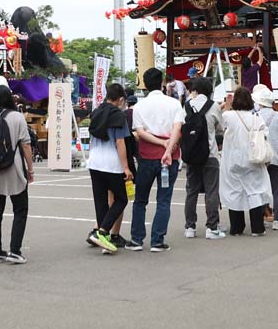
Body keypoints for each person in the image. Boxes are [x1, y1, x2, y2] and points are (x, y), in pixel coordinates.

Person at [129, 67, 185, 252]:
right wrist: (167, 148)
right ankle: (157, 240)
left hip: (146, 157)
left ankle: (137, 240)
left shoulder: (139, 106)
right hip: (169, 159)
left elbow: (140, 132)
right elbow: (177, 129)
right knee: (163, 200)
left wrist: (160, 143)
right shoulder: (174, 104)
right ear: (162, 83)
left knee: (140, 200)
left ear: (145, 85)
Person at [0, 84, 34, 264]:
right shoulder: (17, 117)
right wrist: (30, 169)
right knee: (20, 209)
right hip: (14, 170)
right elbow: (26, 145)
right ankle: (15, 250)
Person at [86, 83, 133, 254]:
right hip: (112, 164)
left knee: (100, 201)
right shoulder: (118, 116)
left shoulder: (96, 112)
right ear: (120, 99)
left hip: (94, 162)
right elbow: (120, 142)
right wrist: (126, 167)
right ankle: (103, 232)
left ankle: (102, 237)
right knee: (121, 199)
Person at [220, 86, 272, 236]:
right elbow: (265, 135)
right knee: (254, 191)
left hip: (233, 160)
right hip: (253, 159)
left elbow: (219, 125)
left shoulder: (229, 116)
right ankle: (257, 228)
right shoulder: (257, 117)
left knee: (234, 191)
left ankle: (236, 227)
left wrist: (226, 106)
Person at [182, 76, 226, 240]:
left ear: (195, 90)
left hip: (191, 154)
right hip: (210, 154)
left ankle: (190, 227)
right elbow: (221, 128)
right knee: (211, 191)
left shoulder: (187, 105)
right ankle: (211, 228)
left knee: (191, 191)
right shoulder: (213, 106)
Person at [255, 84, 278, 230]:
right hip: (277, 157)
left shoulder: (255, 116)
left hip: (260, 158)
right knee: (277, 190)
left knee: (260, 189)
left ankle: (261, 218)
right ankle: (277, 220)